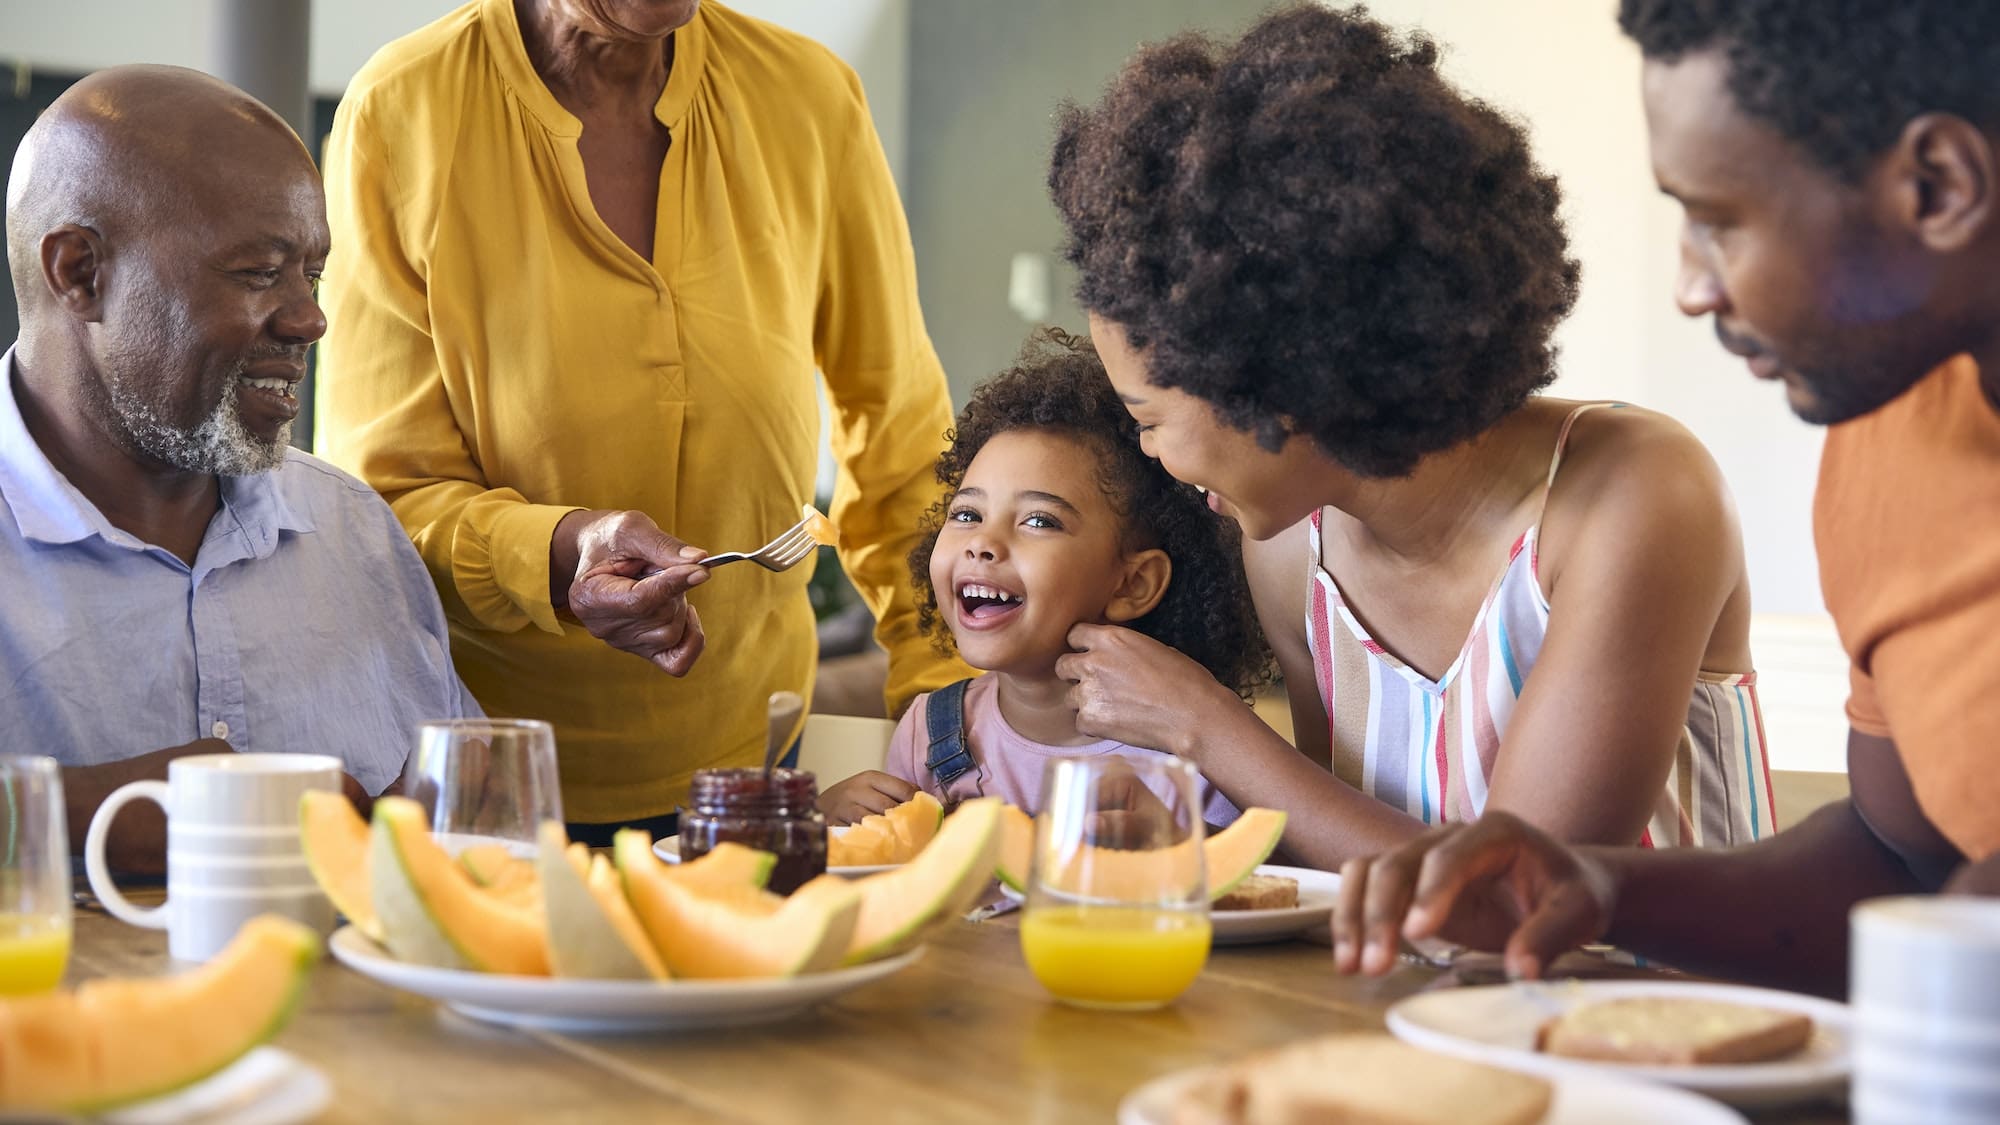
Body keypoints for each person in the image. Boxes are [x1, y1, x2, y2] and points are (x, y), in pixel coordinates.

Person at [1330, 0, 2000, 999]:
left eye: (1717, 220)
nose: (1692, 286)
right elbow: (1901, 861)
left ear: (1938, 186)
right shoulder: (1882, 443)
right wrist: (1597, 887)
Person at [1045, 5, 1768, 873]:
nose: (1152, 453)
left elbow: (1519, 897)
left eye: (1148, 419)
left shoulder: (1637, 497)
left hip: (1661, 1007)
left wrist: (1207, 727)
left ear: (1276, 377)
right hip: (1421, 1009)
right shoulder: (1290, 557)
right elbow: (1338, 857)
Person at [313, 0, 968, 843]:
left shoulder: (808, 98)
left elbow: (902, 441)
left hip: (758, 757)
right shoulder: (401, 112)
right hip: (491, 777)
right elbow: (384, 503)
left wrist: (942, 702)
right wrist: (560, 550)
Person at [1, 66, 478, 874]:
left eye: (312, 273)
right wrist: (97, 814)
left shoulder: (353, 530)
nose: (310, 318)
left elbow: (465, 813)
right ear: (80, 272)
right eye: (259, 273)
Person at [816, 331, 1265, 825]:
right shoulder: (929, 732)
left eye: (1039, 521)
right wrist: (829, 823)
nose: (982, 541)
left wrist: (1184, 850)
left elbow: (1256, 882)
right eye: (967, 513)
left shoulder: (1193, 753)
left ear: (1132, 584)